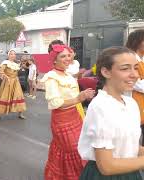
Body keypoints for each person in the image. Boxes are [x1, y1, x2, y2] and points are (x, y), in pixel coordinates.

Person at [78, 46, 144, 179]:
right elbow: (107, 166)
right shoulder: (101, 107)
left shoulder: (130, 103)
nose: (135, 74)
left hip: (132, 172)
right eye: (125, 68)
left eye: (135, 68)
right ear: (106, 72)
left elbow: (130, 147)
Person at [41, 43, 95, 179]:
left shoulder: (67, 75)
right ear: (54, 60)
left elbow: (73, 95)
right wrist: (79, 98)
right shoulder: (51, 77)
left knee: (78, 147)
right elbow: (55, 103)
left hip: (75, 116)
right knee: (73, 150)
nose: (67, 59)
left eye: (68, 55)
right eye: (62, 56)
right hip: (62, 121)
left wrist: (83, 95)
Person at [0, 49, 26, 119]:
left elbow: (18, 72)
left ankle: (20, 113)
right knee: (4, 96)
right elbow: (1, 72)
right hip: (7, 82)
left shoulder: (16, 64)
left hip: (15, 82)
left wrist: (17, 75)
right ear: (8, 55)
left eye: (14, 54)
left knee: (19, 96)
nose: (13, 55)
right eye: (11, 54)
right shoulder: (5, 62)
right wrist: (7, 77)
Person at [126, 29, 144, 146]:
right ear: (138, 42)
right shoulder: (131, 60)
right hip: (135, 104)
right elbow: (138, 84)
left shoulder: (141, 60)